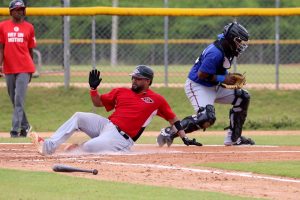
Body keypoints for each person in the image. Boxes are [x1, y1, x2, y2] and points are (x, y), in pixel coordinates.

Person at [30, 65, 202, 155]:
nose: (134, 80)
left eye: (138, 78)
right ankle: (49, 146)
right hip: (106, 126)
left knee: (89, 148)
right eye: (133, 78)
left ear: (148, 81)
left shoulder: (156, 100)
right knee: (78, 117)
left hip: (121, 138)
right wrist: (93, 89)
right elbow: (98, 103)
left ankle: (80, 148)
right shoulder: (121, 91)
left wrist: (184, 138)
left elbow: (173, 119)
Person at [157, 22, 255, 147]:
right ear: (231, 38)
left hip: (213, 84)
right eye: (239, 41)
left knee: (243, 97)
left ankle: (234, 138)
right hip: (198, 86)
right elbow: (202, 74)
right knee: (206, 117)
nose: (241, 45)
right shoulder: (215, 52)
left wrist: (226, 77)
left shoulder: (227, 47)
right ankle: (169, 132)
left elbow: (218, 69)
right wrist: (223, 78)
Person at [0, 0, 36, 137]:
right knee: (14, 99)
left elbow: (31, 50)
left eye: (22, 9)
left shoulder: (29, 27)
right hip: (9, 68)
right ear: (11, 12)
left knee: (19, 98)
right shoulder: (3, 26)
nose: (20, 11)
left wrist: (31, 70)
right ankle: (26, 126)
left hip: (25, 67)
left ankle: (15, 130)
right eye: (17, 9)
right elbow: (1, 49)